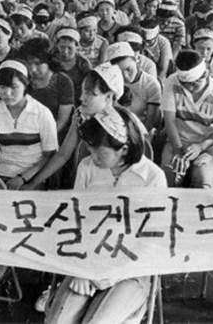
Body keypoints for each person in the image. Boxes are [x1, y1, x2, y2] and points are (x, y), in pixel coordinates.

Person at [44, 105, 162, 324]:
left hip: (131, 271)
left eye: (100, 151)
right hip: (88, 261)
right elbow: (75, 222)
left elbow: (150, 243)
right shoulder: (87, 168)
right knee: (57, 322)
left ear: (124, 149)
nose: (93, 156)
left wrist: (110, 275)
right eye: (90, 149)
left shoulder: (152, 178)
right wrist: (82, 268)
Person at [160, 50, 213, 188]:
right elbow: (169, 121)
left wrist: (201, 147)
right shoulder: (172, 81)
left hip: (207, 144)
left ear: (205, 74)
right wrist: (178, 149)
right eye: (184, 85)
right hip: (177, 140)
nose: (189, 88)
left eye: (194, 84)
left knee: (203, 180)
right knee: (167, 177)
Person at [0, 60, 59, 190]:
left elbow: (49, 155)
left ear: (25, 85)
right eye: (2, 87)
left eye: (14, 87)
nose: (7, 93)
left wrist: (23, 178)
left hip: (33, 176)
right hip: (1, 175)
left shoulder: (41, 113)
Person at [107, 41, 161, 130]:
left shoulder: (151, 84)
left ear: (136, 60)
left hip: (139, 130)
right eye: (119, 72)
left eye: (129, 69)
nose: (126, 76)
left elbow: (150, 121)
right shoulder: (109, 81)